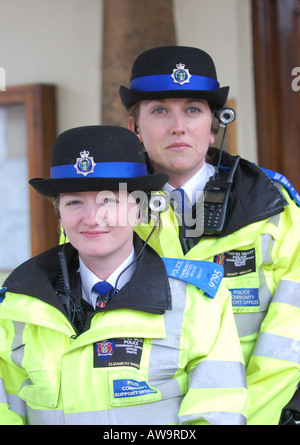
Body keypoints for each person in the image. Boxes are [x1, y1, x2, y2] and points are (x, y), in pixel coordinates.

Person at [0, 125, 247, 425]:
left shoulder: (201, 304)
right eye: (75, 201)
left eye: (109, 200)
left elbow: (217, 416)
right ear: (59, 213)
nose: (92, 218)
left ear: (140, 210)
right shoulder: (15, 308)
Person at [119, 45, 300, 425]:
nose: (178, 126)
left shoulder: (274, 209)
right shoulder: (104, 213)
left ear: (215, 124)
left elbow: (289, 345)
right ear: (135, 127)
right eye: (159, 111)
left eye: (193, 109)